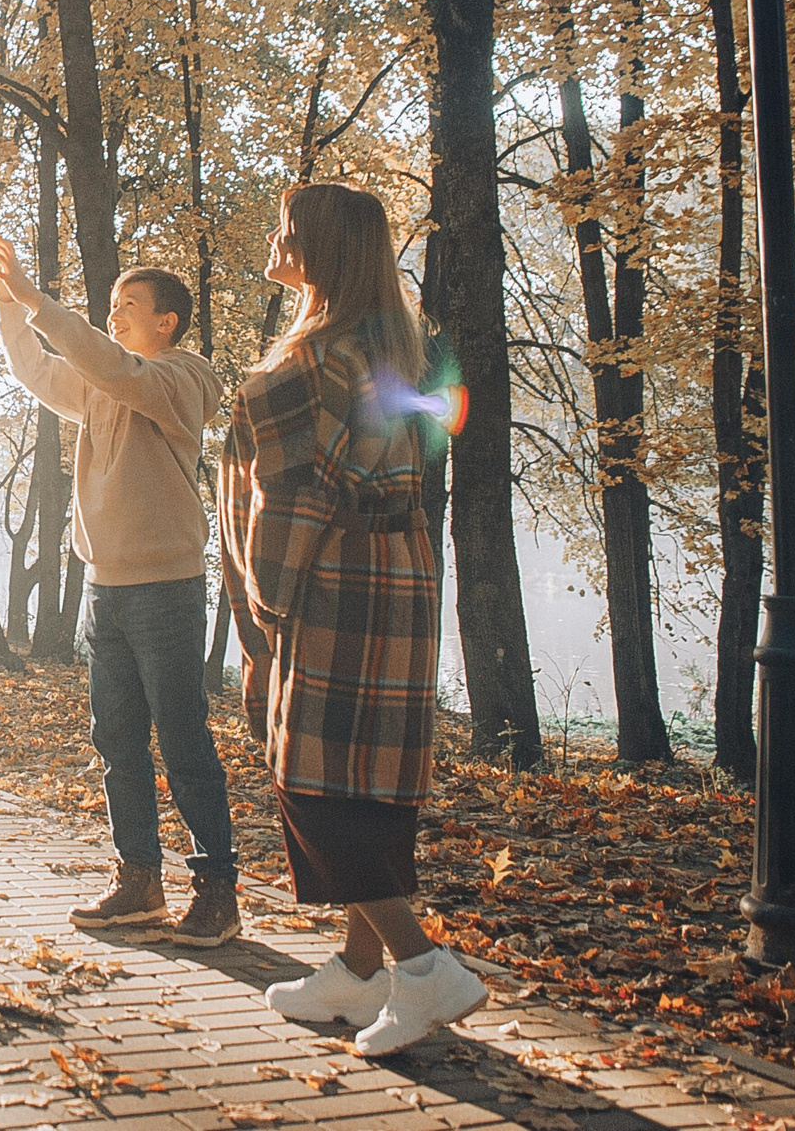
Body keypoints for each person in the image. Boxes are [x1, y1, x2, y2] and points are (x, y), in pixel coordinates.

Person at [223, 183, 488, 1057]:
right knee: (367, 776)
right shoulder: (395, 349)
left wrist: (264, 614)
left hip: (332, 584)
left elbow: (288, 500)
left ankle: (422, 970)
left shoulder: (306, 364)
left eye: (289, 229)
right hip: (399, 576)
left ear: (321, 250)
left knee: (311, 784)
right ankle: (358, 972)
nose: (275, 235)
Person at [0, 231, 238, 945]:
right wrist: (11, 304)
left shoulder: (184, 379)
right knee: (118, 743)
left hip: (166, 588)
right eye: (113, 303)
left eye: (131, 305)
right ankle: (139, 883)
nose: (116, 313)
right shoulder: (104, 381)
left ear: (168, 322)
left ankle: (218, 888)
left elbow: (118, 370)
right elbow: (37, 370)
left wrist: (37, 298)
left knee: (184, 741)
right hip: (106, 589)